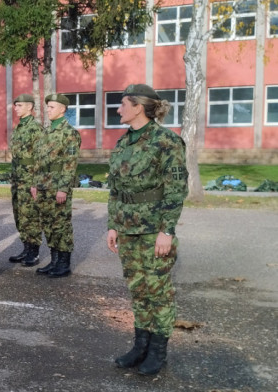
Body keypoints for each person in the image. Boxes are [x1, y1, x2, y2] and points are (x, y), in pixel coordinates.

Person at [106, 84, 188, 376]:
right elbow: (115, 190)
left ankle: (158, 351)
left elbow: (176, 189)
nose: (118, 109)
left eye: (122, 104)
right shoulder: (122, 144)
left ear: (138, 106)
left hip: (154, 230)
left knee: (158, 292)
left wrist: (167, 231)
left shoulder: (166, 141)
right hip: (127, 229)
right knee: (138, 290)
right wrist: (113, 225)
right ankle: (140, 346)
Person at [33, 93, 81, 278]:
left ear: (62, 109)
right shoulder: (46, 132)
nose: (48, 110)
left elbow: (70, 164)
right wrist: (34, 184)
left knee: (61, 225)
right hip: (43, 185)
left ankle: (64, 263)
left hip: (57, 187)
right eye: (48, 107)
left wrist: (63, 188)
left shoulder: (69, 133)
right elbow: (38, 161)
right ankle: (53, 261)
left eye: (52, 107)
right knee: (48, 224)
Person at [8, 94, 46, 267]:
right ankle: (25, 247)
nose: (16, 108)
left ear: (30, 107)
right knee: (19, 214)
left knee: (30, 215)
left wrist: (36, 182)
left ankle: (34, 251)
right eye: (15, 106)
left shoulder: (35, 128)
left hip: (29, 178)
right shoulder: (19, 127)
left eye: (19, 105)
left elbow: (40, 157)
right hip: (18, 178)